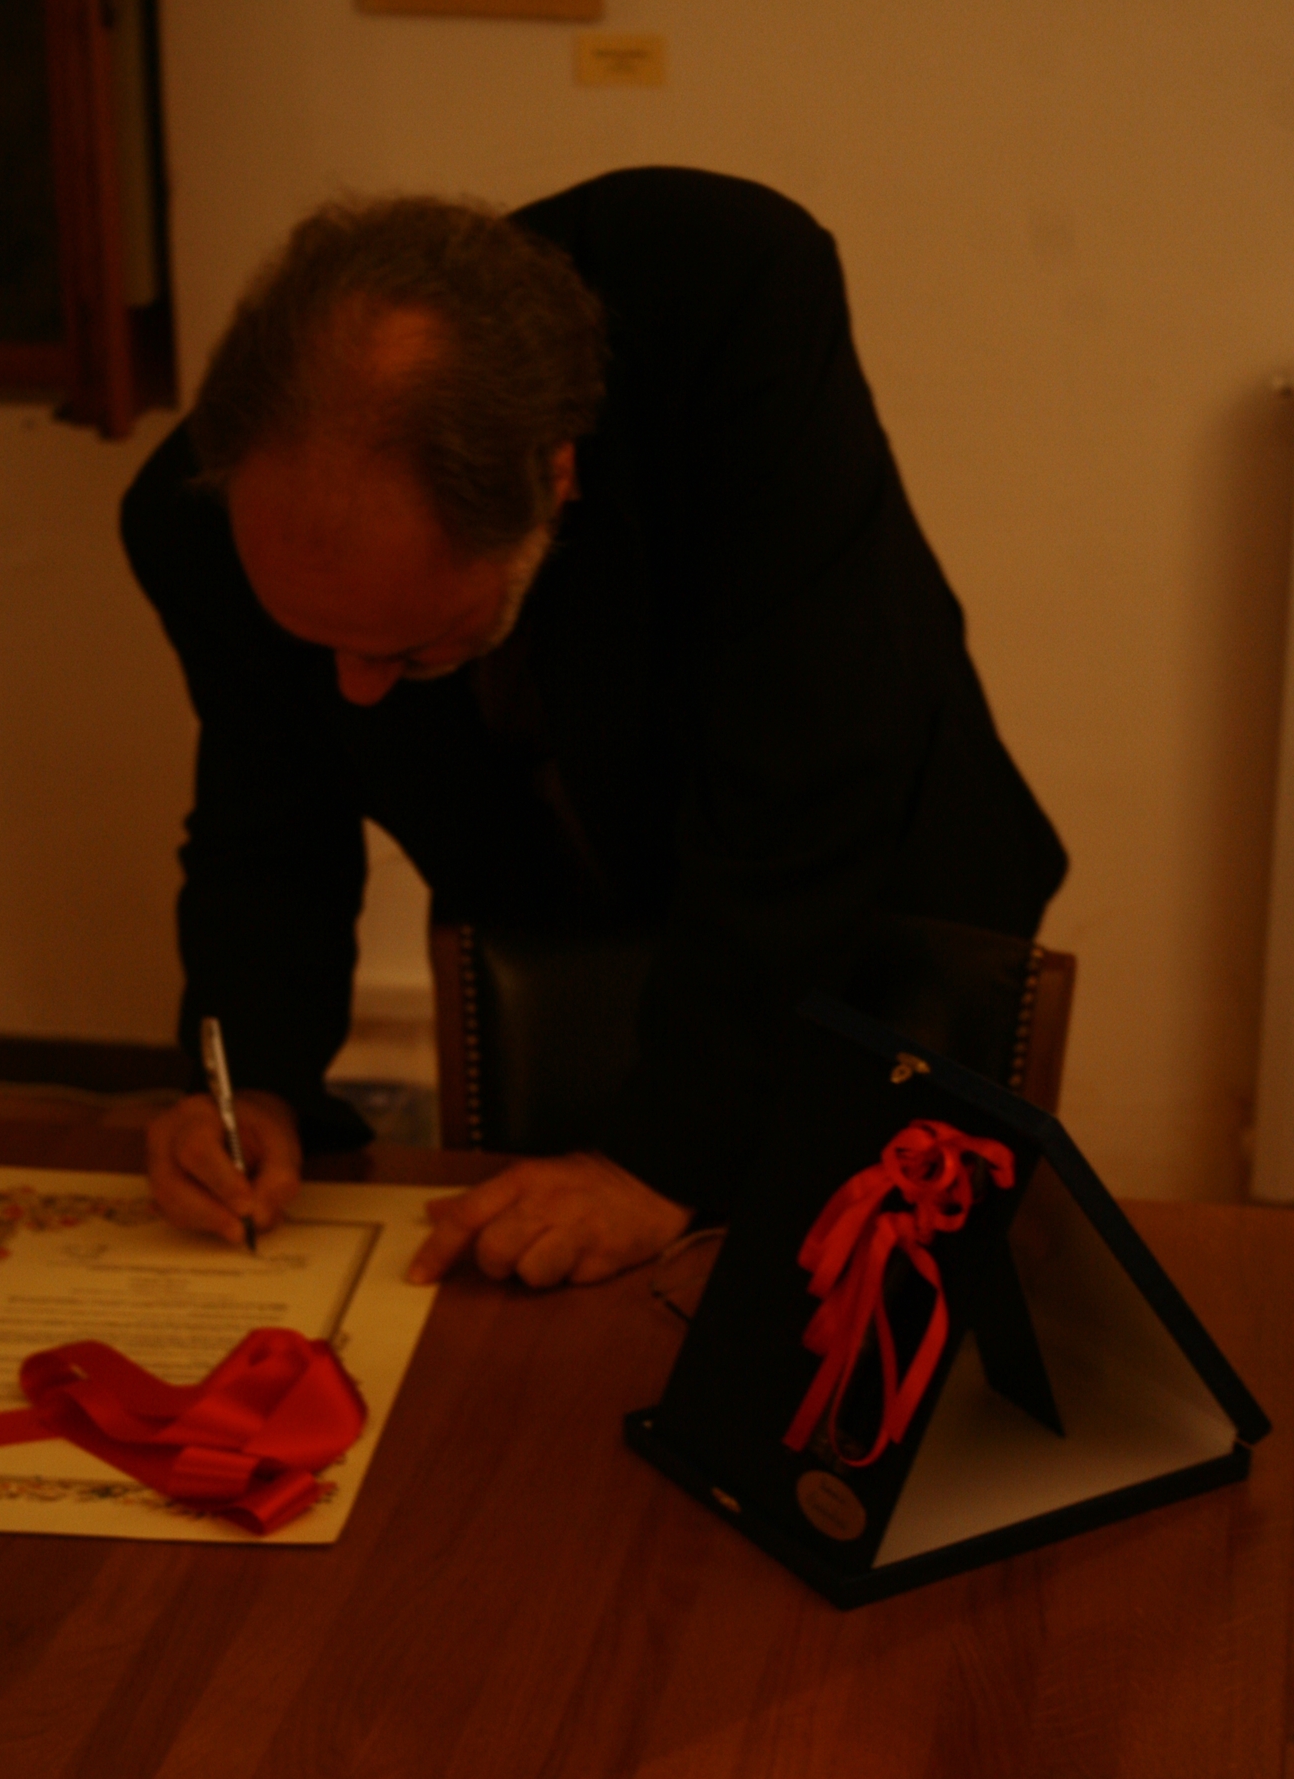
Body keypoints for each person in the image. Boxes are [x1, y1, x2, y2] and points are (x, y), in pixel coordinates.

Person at [121, 167, 1066, 1288]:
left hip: (866, 918)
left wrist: (659, 1158)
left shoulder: (724, 294)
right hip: (557, 928)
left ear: (554, 476)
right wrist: (252, 1085)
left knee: (851, 1318)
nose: (357, 693)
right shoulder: (194, 520)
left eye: (410, 651)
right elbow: (267, 814)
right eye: (322, 645)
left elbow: (808, 767)